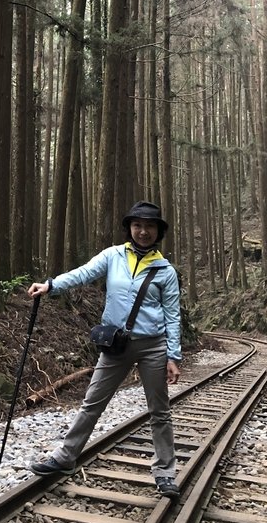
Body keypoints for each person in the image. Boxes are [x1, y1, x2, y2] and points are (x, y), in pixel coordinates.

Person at [28, 200, 182, 500]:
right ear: (130, 228)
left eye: (149, 226)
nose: (143, 231)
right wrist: (51, 285)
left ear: (157, 231)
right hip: (116, 344)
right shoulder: (113, 256)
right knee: (92, 403)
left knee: (159, 412)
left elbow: (172, 314)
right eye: (137, 225)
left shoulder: (165, 270)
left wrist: (173, 356)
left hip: (153, 346)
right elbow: (83, 273)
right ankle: (66, 456)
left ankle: (165, 473)